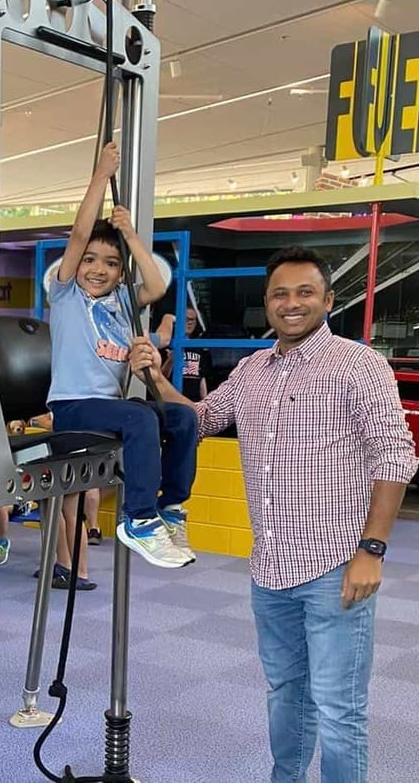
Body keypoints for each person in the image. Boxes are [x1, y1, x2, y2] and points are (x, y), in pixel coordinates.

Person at [129, 245, 419, 782]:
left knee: (338, 708)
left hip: (337, 564)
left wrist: (373, 550)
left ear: (328, 300)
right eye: (280, 294)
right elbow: (202, 418)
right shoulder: (252, 369)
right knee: (286, 692)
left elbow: (396, 455)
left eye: (304, 292)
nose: (291, 303)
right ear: (267, 303)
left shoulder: (361, 365)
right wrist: (154, 377)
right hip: (269, 568)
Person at [46, 141, 197, 569]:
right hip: (72, 407)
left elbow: (156, 285)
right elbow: (79, 235)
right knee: (141, 416)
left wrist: (129, 233)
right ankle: (139, 519)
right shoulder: (67, 294)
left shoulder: (123, 303)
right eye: (91, 260)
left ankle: (170, 509)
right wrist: (100, 174)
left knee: (183, 417)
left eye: (111, 263)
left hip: (108, 409)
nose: (98, 269)